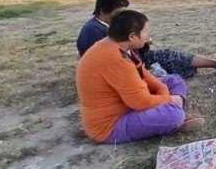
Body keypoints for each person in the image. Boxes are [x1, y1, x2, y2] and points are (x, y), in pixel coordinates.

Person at [76, 10, 205, 144]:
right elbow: (140, 102)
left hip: (127, 101)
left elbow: (143, 73)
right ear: (132, 36)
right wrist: (169, 99)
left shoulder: (118, 45)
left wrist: (164, 92)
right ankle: (174, 117)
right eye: (145, 32)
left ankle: (173, 110)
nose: (147, 35)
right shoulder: (115, 59)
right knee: (174, 116)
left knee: (174, 80)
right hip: (112, 124)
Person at [76, 0, 216, 78]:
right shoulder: (92, 31)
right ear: (103, 11)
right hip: (129, 68)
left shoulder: (106, 25)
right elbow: (108, 63)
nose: (123, 16)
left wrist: (141, 43)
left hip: (138, 60)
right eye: (118, 13)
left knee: (176, 57)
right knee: (177, 71)